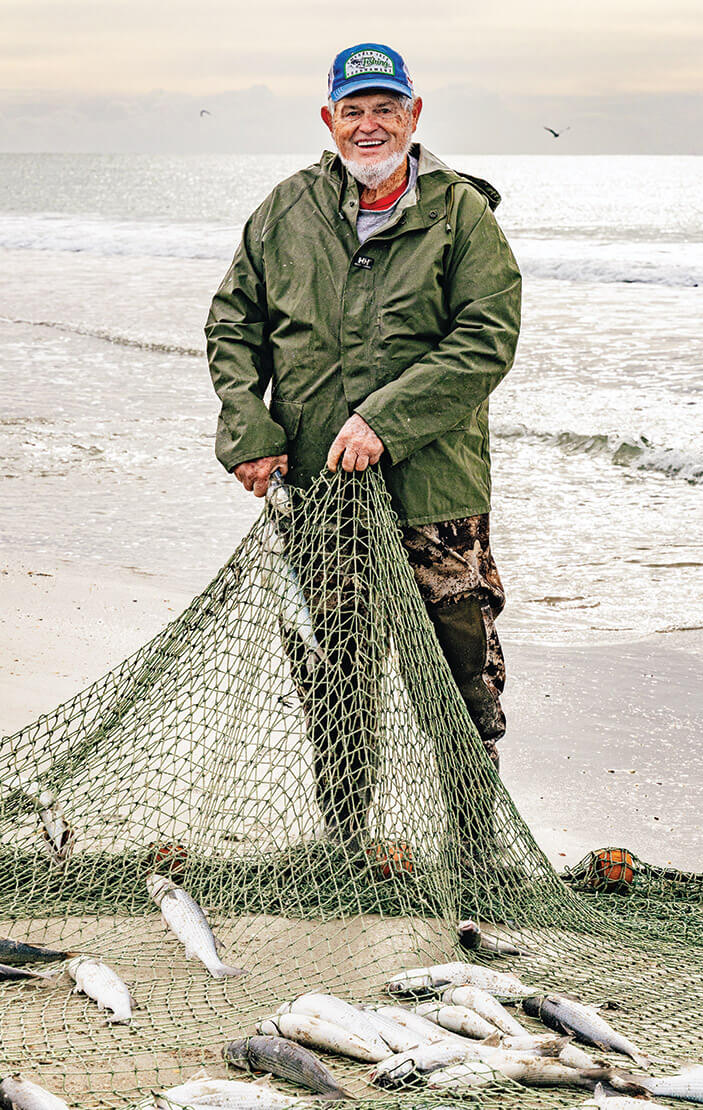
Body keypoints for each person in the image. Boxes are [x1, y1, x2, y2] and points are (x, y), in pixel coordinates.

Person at [206, 43, 521, 848]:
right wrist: (248, 428)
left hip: (436, 496)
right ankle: (345, 844)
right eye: (354, 110)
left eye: (386, 108)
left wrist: (386, 419)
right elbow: (234, 325)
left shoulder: (461, 215)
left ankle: (473, 855)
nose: (369, 124)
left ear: (414, 118)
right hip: (318, 497)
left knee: (460, 678)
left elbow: (486, 339)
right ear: (329, 119)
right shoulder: (285, 211)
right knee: (335, 674)